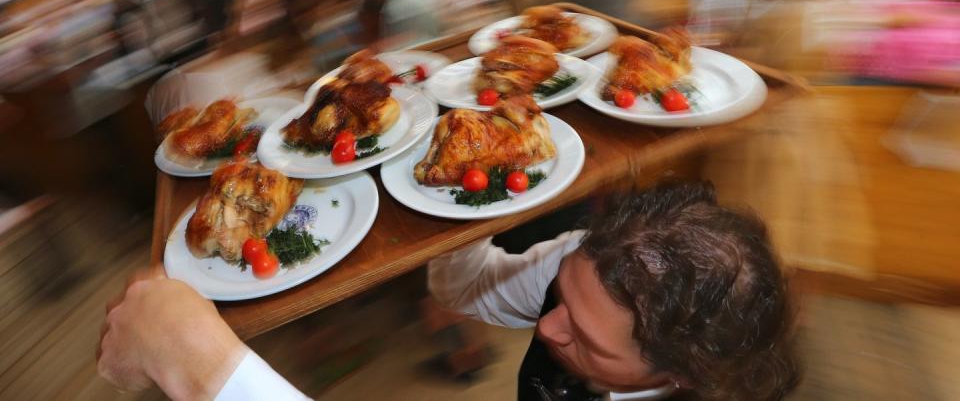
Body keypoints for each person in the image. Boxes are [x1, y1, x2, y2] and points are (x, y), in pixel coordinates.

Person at [97, 182, 799, 400]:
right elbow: (467, 292)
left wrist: (203, 364)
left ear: (679, 376)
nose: (550, 331)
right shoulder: (591, 266)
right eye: (563, 298)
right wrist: (454, 206)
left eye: (583, 339)